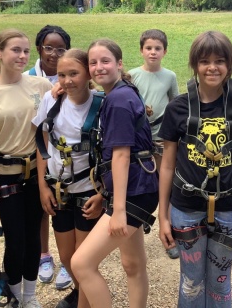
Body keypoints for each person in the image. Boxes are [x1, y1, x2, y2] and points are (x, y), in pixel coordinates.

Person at [158, 31, 232, 307]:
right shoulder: (177, 108)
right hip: (186, 207)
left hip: (229, 208)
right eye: (204, 61)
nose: (212, 67)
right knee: (191, 280)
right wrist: (163, 216)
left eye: (219, 61)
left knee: (220, 281)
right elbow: (166, 166)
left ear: (229, 64)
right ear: (195, 64)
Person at [70, 39, 159, 308]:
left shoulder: (119, 99)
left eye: (105, 61)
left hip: (133, 192)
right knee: (132, 263)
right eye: (93, 63)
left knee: (81, 263)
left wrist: (118, 210)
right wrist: (105, 196)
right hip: (135, 187)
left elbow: (121, 156)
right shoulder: (121, 91)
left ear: (119, 64)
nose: (98, 67)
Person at [0, 29, 52, 308]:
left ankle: (30, 296)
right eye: (15, 50)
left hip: (37, 173)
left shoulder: (40, 86)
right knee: (15, 241)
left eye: (26, 51)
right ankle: (15, 296)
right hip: (7, 176)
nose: (22, 56)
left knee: (33, 238)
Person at [33, 48, 104, 308]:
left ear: (88, 73)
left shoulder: (102, 104)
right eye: (61, 75)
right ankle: (81, 293)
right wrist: (42, 186)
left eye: (74, 74)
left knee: (82, 260)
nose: (67, 80)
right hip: (59, 189)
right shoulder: (51, 101)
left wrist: (103, 194)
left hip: (88, 189)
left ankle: (86, 301)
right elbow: (43, 143)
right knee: (66, 256)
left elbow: (112, 154)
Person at [25, 25, 73, 289]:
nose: (54, 54)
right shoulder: (27, 79)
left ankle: (68, 261)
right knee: (43, 206)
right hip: (37, 152)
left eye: (61, 49)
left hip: (65, 157)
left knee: (64, 206)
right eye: (48, 48)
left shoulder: (75, 78)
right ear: (39, 49)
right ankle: (44, 254)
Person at [128, 28, 179, 259]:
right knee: (140, 183)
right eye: (148, 48)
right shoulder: (132, 75)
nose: (153, 52)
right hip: (138, 139)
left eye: (157, 48)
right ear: (141, 50)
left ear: (164, 51)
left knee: (165, 185)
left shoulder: (170, 76)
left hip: (161, 138)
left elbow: (175, 105)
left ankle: (168, 233)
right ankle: (136, 225)